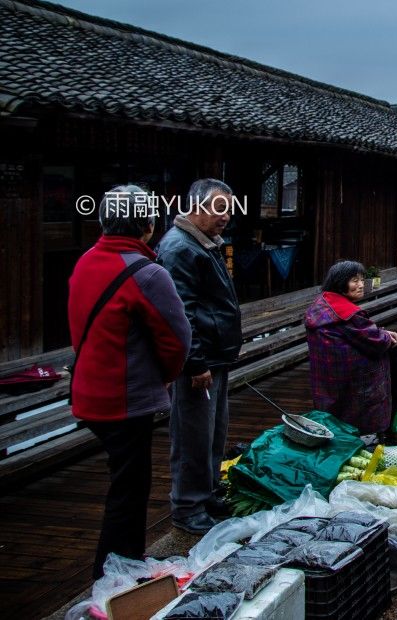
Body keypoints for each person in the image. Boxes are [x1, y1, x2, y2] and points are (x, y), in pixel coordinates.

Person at [69, 185, 190, 578]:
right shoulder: (147, 272)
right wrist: (165, 378)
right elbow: (177, 339)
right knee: (129, 489)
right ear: (147, 225)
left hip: (89, 392)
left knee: (124, 481)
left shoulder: (86, 261)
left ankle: (123, 563)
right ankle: (116, 570)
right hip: (125, 397)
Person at [158, 177, 243, 535]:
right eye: (218, 208)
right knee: (193, 434)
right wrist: (195, 362)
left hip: (214, 355)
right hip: (198, 361)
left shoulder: (204, 243)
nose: (225, 216)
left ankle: (207, 494)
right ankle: (187, 506)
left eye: (229, 209)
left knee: (213, 431)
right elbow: (181, 313)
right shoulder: (180, 248)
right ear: (196, 206)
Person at [305, 260, 397, 436]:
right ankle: (375, 433)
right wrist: (387, 336)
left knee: (335, 412)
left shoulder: (322, 303)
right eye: (354, 281)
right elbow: (375, 340)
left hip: (327, 376)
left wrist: (382, 332)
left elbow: (360, 332)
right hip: (351, 378)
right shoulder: (346, 313)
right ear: (340, 283)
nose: (360, 285)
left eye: (361, 280)